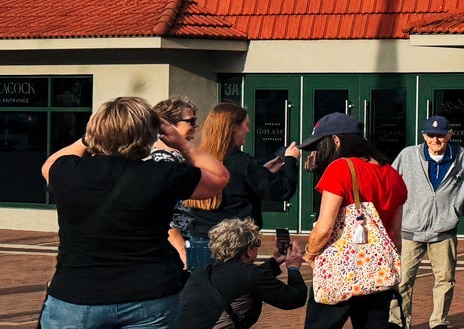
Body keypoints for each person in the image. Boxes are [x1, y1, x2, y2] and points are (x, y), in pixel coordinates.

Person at [40, 96, 229, 329]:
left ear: (95, 131)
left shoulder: (69, 172)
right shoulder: (163, 174)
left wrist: (88, 138)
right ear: (149, 134)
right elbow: (219, 178)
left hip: (76, 295)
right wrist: (182, 144)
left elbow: (48, 165)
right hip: (150, 295)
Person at [390, 116, 464, 329]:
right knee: (402, 280)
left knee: (445, 280)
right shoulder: (408, 155)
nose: (436, 139)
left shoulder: (461, 158)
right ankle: (398, 322)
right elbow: (389, 182)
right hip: (409, 230)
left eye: (441, 135)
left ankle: (438, 322)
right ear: (424, 135)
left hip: (444, 231)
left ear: (449, 135)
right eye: (431, 135)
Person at [301, 112, 408, 329]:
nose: (319, 152)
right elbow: (395, 235)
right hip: (377, 273)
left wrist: (310, 254)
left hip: (339, 270)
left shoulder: (340, 169)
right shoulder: (392, 174)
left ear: (336, 140)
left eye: (320, 145)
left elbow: (324, 227)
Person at [186, 103, 302, 271]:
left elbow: (237, 185)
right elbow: (282, 191)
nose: (248, 130)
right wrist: (291, 161)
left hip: (199, 241)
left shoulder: (196, 160)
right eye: (245, 125)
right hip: (233, 246)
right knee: (235, 295)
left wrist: (263, 172)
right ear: (233, 128)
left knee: (202, 293)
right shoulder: (243, 163)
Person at [177, 218, 307, 329]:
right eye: (257, 244)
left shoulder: (204, 271)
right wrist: (293, 268)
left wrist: (274, 261)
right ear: (248, 249)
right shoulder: (249, 274)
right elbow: (294, 298)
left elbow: (244, 280)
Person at [150, 97, 201, 268]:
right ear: (168, 124)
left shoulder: (182, 156)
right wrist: (181, 249)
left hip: (190, 239)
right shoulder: (163, 161)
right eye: (190, 121)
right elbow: (161, 210)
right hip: (175, 247)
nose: (195, 125)